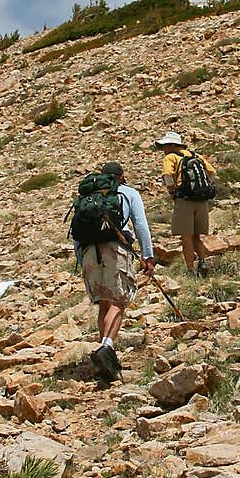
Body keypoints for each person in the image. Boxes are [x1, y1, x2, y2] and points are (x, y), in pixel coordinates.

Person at [75, 161, 155, 383]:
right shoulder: (128, 192)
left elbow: (76, 232)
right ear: (121, 176)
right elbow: (140, 224)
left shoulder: (86, 197)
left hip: (90, 250)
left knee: (103, 302)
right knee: (119, 300)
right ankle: (107, 346)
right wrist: (148, 255)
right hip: (115, 248)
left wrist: (81, 259)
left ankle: (104, 355)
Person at [153, 130, 218, 276]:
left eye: (164, 146)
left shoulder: (171, 157)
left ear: (171, 145)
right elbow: (212, 173)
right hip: (201, 201)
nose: (163, 149)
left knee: (186, 238)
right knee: (197, 236)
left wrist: (172, 191)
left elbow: (167, 175)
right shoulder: (197, 156)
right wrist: (203, 188)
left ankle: (190, 270)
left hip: (184, 200)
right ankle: (202, 262)